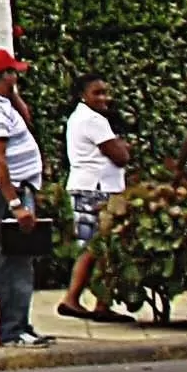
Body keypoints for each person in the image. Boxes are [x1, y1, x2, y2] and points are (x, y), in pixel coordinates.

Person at [0, 45, 57, 349]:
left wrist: (13, 93)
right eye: (13, 73)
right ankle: (12, 329)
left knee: (20, 259)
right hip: (9, 192)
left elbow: (26, 119)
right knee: (11, 261)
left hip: (17, 188)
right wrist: (16, 204)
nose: (16, 77)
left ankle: (20, 323)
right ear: (4, 75)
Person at [56, 77, 131, 321]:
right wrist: (124, 146)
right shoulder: (95, 120)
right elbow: (120, 156)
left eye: (106, 92)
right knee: (102, 246)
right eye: (97, 93)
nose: (104, 98)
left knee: (90, 246)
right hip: (98, 189)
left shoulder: (79, 118)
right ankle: (98, 303)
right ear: (82, 95)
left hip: (84, 186)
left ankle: (75, 298)